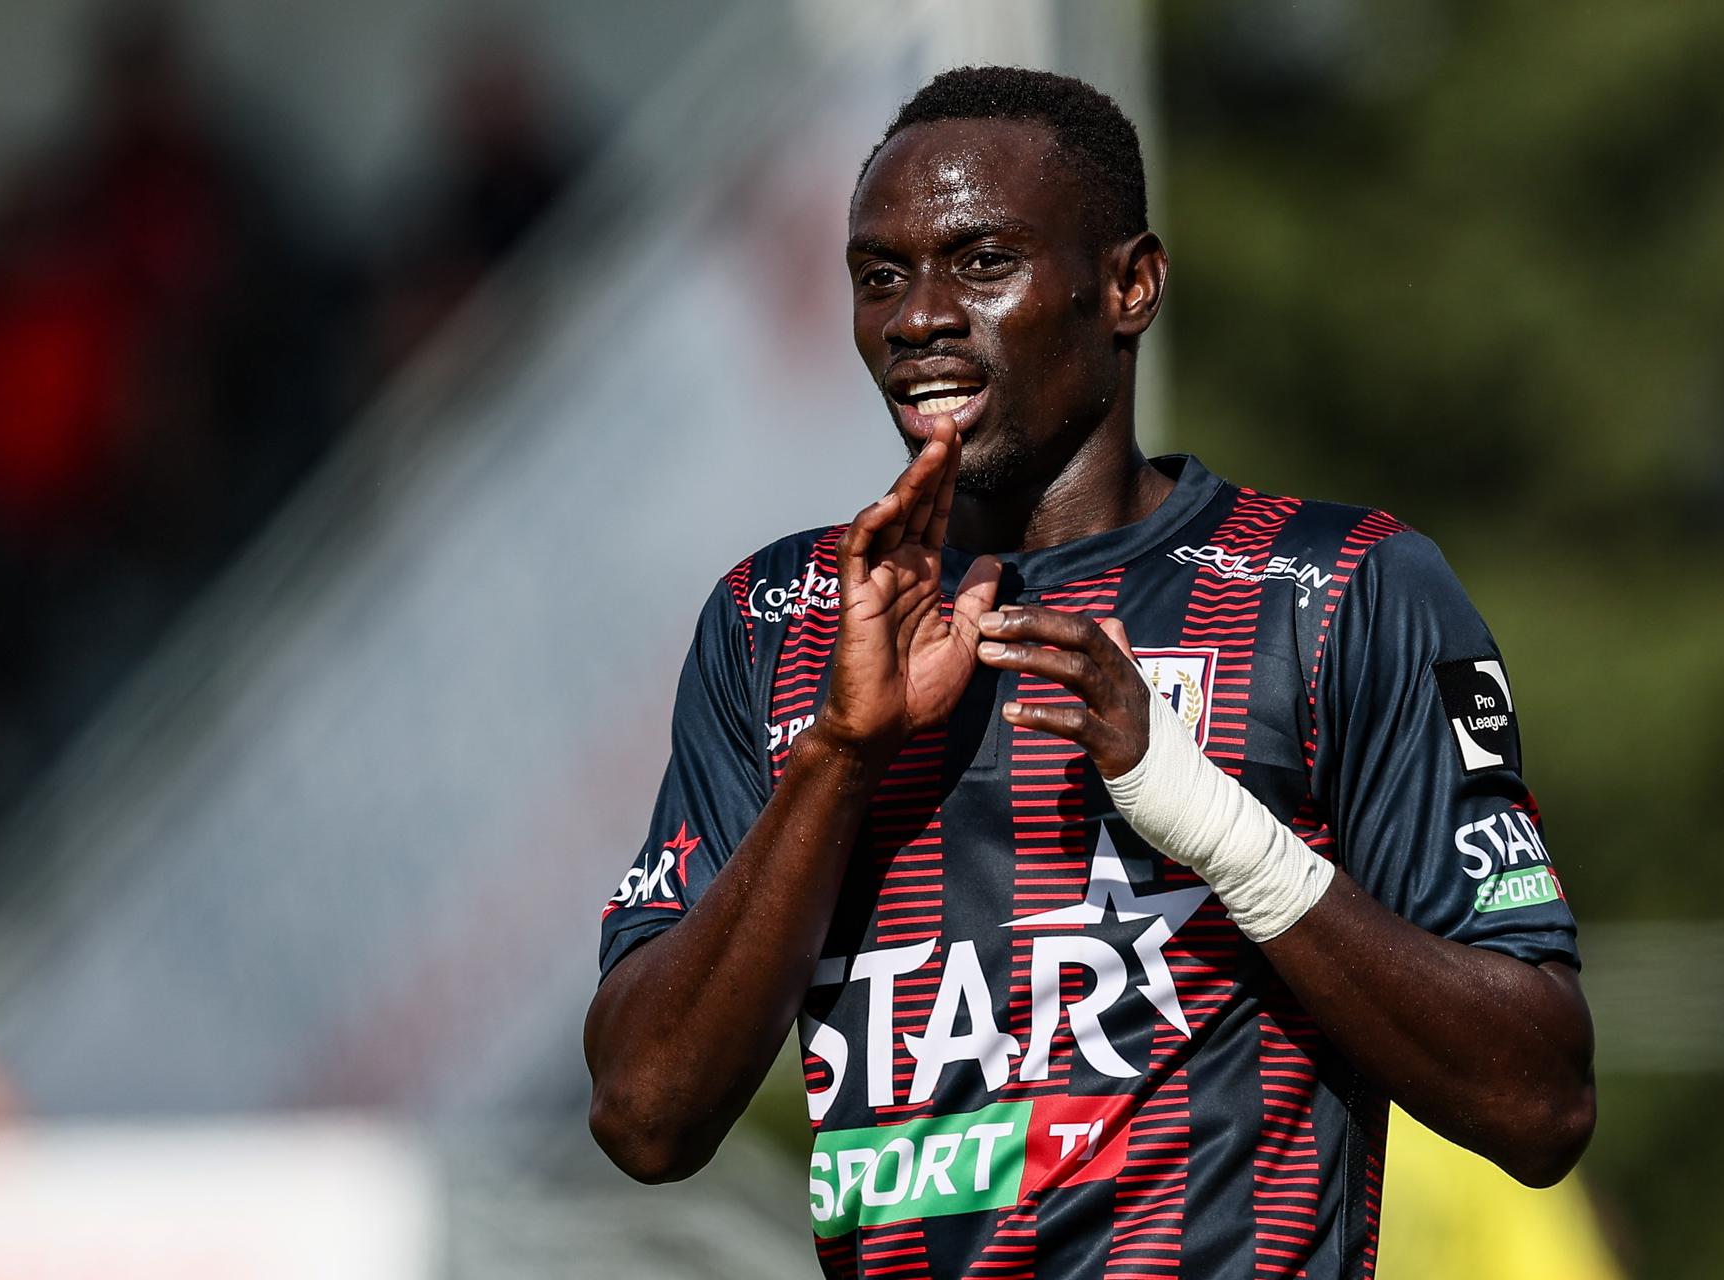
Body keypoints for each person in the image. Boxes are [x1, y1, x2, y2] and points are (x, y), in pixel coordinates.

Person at [585, 66, 1594, 1279]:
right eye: (880, 276)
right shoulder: (778, 617)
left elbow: (1541, 1099)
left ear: (1130, 286)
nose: (918, 318)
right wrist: (840, 757)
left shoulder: (1335, 590)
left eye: (981, 262)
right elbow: (643, 1114)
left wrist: (1210, 818)